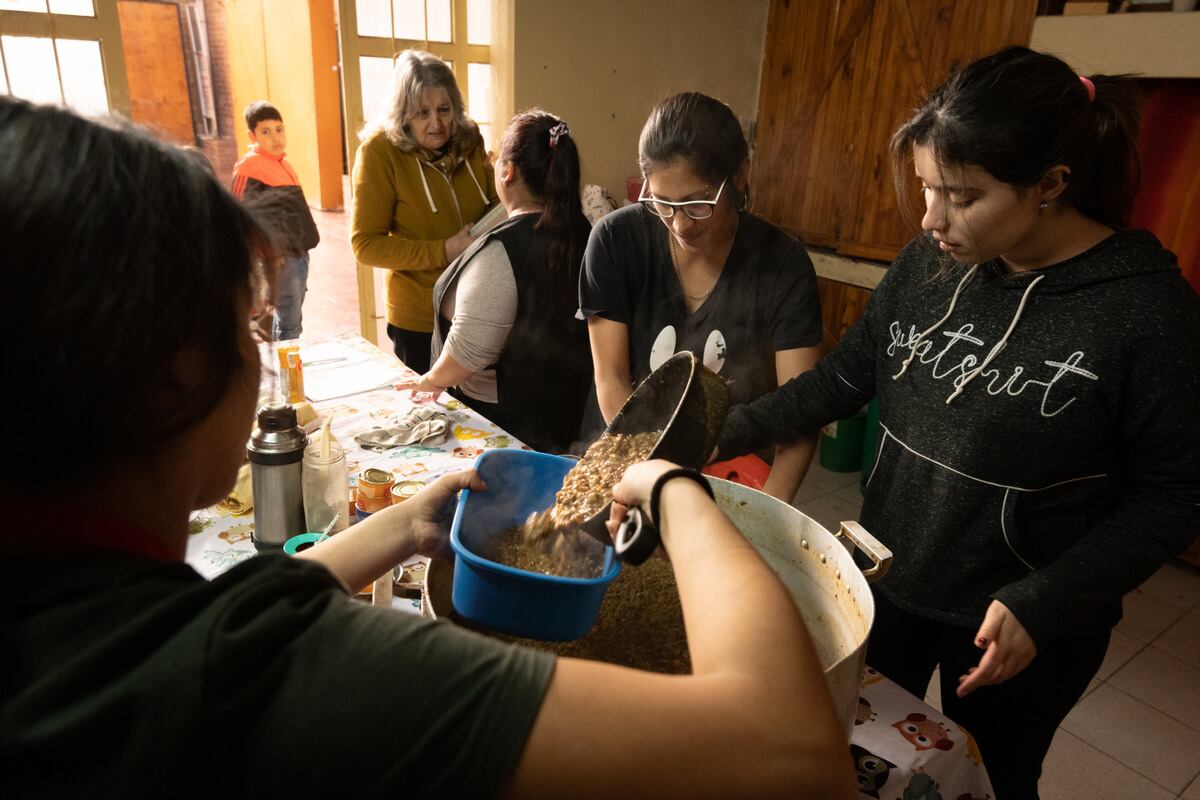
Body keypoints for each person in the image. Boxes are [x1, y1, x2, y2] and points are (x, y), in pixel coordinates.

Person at [0, 96, 854, 798]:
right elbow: (788, 752)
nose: (257, 350)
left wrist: (407, 526)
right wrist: (672, 490)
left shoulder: (79, 617)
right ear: (174, 375)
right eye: (249, 325)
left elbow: (219, 616)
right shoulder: (279, 673)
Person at [716, 46, 1200, 799]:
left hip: (1024, 624)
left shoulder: (1145, 312)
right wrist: (722, 431)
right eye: (927, 188)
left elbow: (1176, 495)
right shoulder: (927, 265)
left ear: (1050, 185)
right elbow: (842, 382)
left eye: (963, 196)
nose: (931, 219)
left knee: (997, 776)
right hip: (890, 583)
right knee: (864, 756)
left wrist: (1049, 599)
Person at [579, 92, 823, 501]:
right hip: (629, 456)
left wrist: (770, 519)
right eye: (662, 203)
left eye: (697, 204)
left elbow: (800, 411)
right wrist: (654, 480)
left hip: (735, 469)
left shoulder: (783, 265)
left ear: (740, 177)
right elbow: (612, 379)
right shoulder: (615, 241)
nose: (679, 225)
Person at [396, 110, 592, 454]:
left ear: (509, 170)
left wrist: (429, 381)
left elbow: (468, 352)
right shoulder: (586, 233)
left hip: (505, 432)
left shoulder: (504, 251)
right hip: (566, 418)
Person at [352, 50, 497, 374]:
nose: (437, 124)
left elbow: (491, 201)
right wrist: (444, 251)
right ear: (403, 114)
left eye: (445, 110)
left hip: (478, 307)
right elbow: (365, 243)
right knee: (434, 416)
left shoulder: (469, 137)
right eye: (422, 113)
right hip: (419, 317)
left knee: (479, 417)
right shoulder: (379, 152)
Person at [231, 100, 320, 341]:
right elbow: (240, 218)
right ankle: (290, 374)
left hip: (298, 254)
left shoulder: (283, 163)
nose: (276, 137)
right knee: (290, 324)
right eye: (265, 132)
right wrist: (268, 253)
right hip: (281, 258)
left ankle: (286, 368)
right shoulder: (248, 167)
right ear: (252, 135)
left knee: (291, 318)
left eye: (279, 129)